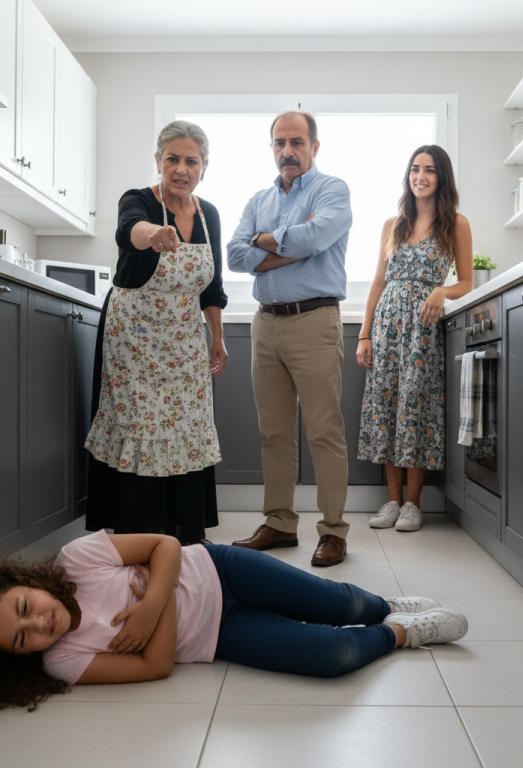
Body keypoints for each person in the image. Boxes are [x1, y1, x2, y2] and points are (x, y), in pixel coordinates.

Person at [0, 531, 469, 714]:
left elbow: (168, 545)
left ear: (21, 583)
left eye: (25, 608)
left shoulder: (76, 559)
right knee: (333, 658)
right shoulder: (64, 660)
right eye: (22, 639)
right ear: (21, 657)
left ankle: (383, 607)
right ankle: (401, 633)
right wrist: (157, 593)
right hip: (217, 637)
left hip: (221, 570)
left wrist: (152, 605)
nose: (40, 625)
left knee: (344, 606)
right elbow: (155, 667)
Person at [84, 120, 228, 545]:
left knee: (184, 428)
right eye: (172, 159)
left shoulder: (209, 215)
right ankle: (137, 534)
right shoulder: (140, 200)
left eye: (191, 161)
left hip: (185, 339)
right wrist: (155, 234)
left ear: (204, 167)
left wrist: (216, 338)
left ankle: (183, 535)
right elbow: (128, 230)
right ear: (158, 161)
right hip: (134, 339)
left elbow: (213, 287)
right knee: (140, 426)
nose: (181, 169)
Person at [226, 110, 352, 566]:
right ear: (272, 148)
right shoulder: (258, 199)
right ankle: (279, 523)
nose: (288, 151)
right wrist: (290, 247)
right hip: (267, 323)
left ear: (314, 147)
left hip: (314, 320)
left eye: (297, 142)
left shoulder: (331, 189)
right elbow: (236, 255)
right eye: (280, 143)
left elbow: (318, 236)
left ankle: (334, 531)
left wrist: (272, 243)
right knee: (274, 433)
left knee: (324, 431)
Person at [357, 145, 473, 531]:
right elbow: (377, 282)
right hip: (387, 325)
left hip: (423, 329)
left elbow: (468, 282)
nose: (420, 176)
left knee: (416, 409)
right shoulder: (393, 224)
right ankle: (391, 501)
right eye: (414, 169)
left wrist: (441, 291)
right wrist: (364, 334)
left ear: (442, 177)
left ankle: (413, 503)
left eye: (429, 170)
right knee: (387, 408)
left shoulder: (456, 223)